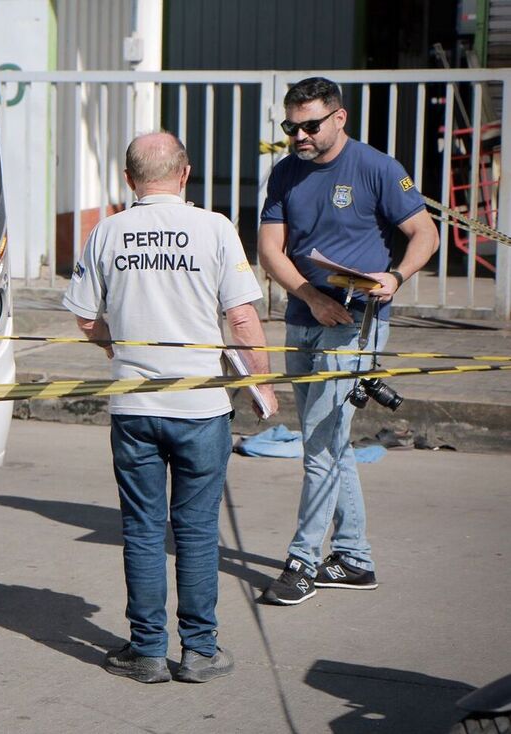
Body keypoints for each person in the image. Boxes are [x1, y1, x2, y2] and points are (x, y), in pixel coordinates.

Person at [63, 131, 276, 684]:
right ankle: (200, 651)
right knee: (198, 531)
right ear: (185, 174)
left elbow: (85, 317)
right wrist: (263, 384)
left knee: (141, 529)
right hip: (202, 408)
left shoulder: (106, 232)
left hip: (133, 406)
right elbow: (244, 319)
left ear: (129, 179)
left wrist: (121, 348)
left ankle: (148, 650)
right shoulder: (216, 228)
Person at [257, 77, 438, 606]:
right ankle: (355, 558)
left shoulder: (377, 167)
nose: (299, 136)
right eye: (291, 127)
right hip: (305, 314)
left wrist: (396, 277)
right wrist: (310, 297)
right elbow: (271, 250)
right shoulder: (285, 174)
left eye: (310, 125)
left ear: (339, 118)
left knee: (318, 446)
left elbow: (423, 234)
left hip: (356, 322)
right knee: (330, 444)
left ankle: (303, 561)